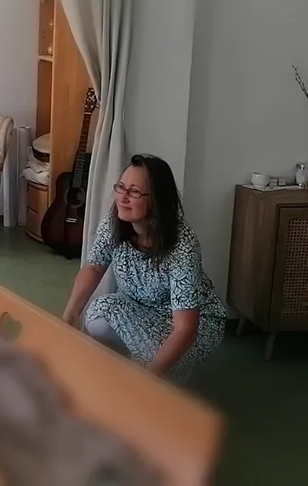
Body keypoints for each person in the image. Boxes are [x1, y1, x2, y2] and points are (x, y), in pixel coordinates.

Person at [62, 154, 226, 381]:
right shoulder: (115, 223)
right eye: (121, 187)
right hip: (139, 307)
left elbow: (185, 328)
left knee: (157, 364)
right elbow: (94, 268)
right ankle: (132, 369)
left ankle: (157, 375)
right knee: (98, 312)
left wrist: (147, 381)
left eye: (135, 192)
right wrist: (69, 316)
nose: (123, 198)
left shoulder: (182, 245)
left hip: (188, 324)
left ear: (157, 200)